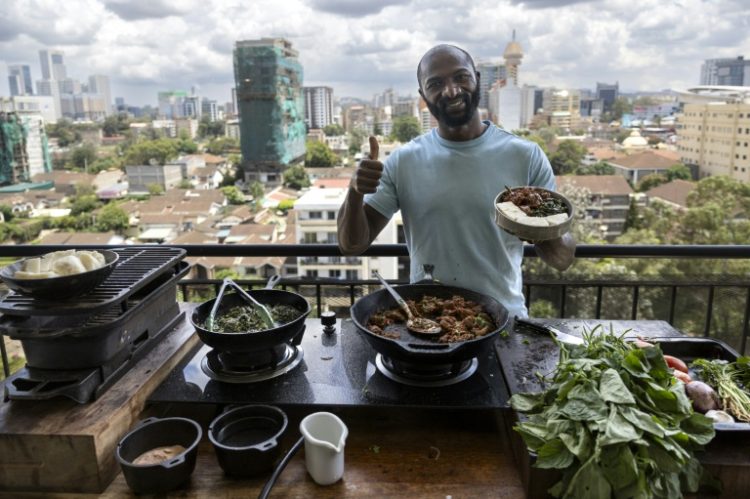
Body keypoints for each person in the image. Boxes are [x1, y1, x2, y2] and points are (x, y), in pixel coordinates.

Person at [337, 44, 576, 318]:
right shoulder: (403, 161)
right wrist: (355, 192)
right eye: (436, 83)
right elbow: (351, 245)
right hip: (429, 324)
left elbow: (561, 259)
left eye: (461, 77)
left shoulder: (525, 156)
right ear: (423, 96)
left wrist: (538, 226)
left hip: (504, 321)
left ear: (476, 79)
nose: (451, 90)